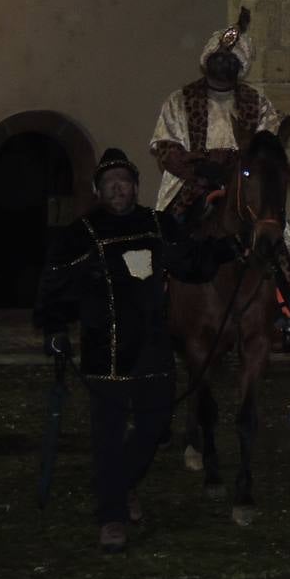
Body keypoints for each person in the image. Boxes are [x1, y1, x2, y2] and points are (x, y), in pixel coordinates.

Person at [34, 148, 237, 552]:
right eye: (109, 183)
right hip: (105, 352)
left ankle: (120, 484)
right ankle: (111, 515)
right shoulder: (80, 233)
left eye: (124, 181)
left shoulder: (158, 225)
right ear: (97, 190)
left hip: (153, 348)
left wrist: (228, 249)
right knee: (108, 436)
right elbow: (53, 285)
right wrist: (54, 328)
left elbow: (190, 263)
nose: (117, 188)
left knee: (154, 427)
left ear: (135, 186)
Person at [148, 7, 290, 352]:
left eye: (231, 59)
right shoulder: (180, 100)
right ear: (207, 58)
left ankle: (289, 316)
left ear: (241, 65)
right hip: (193, 182)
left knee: (282, 237)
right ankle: (156, 308)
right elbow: (163, 144)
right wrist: (192, 162)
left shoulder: (258, 104)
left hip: (243, 183)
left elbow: (270, 147)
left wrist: (239, 164)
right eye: (219, 56)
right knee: (162, 235)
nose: (224, 63)